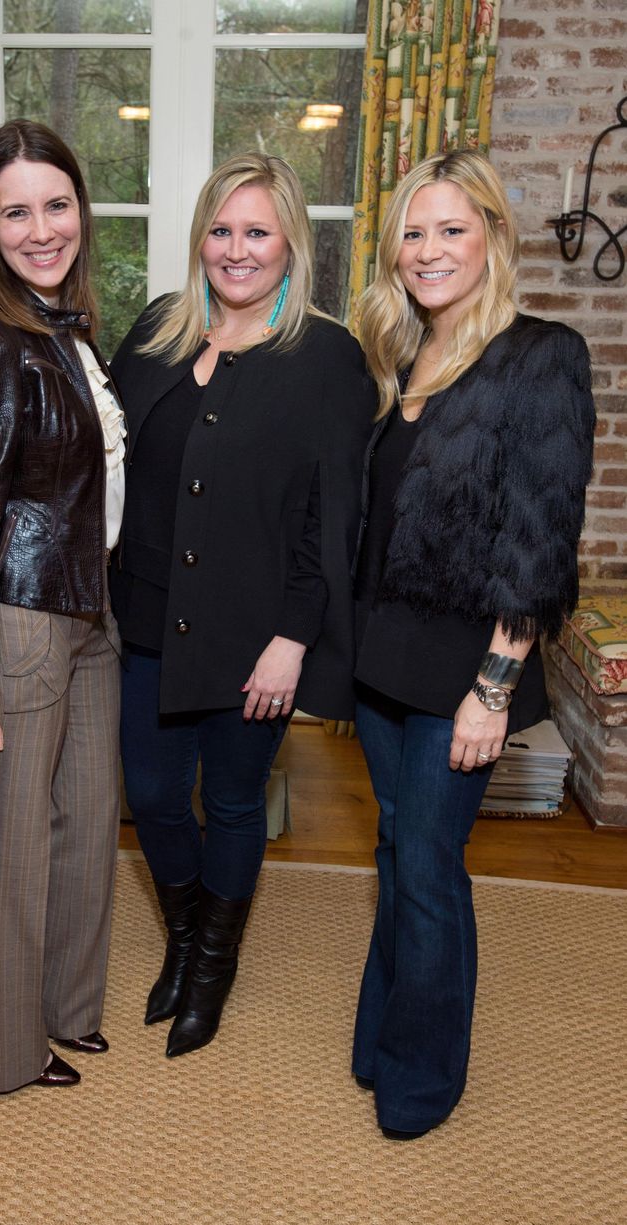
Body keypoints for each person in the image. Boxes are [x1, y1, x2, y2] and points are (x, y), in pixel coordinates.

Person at [351, 149, 595, 1139]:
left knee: (425, 861)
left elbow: (539, 539)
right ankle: (383, 1029)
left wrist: (493, 689)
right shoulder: (403, 353)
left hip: (461, 670)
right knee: (394, 845)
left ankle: (422, 1072)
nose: (427, 249)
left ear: (491, 236)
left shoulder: (540, 355)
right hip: (378, 662)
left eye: (450, 228)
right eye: (412, 231)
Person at [109, 153, 375, 1058]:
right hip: (144, 618)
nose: (236, 249)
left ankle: (211, 966)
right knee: (149, 793)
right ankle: (184, 935)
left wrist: (293, 639)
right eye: (221, 230)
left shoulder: (329, 361)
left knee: (230, 801)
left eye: (256, 230)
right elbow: (108, 475)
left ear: (291, 242)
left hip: (253, 636)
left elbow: (330, 519)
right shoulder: (154, 336)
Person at [0, 120, 124, 1094]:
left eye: (57, 203)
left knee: (89, 819)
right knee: (11, 842)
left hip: (88, 607)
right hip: (18, 617)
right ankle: (7, 1054)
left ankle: (69, 1008)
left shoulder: (68, 324)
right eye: (16, 210)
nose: (42, 227)